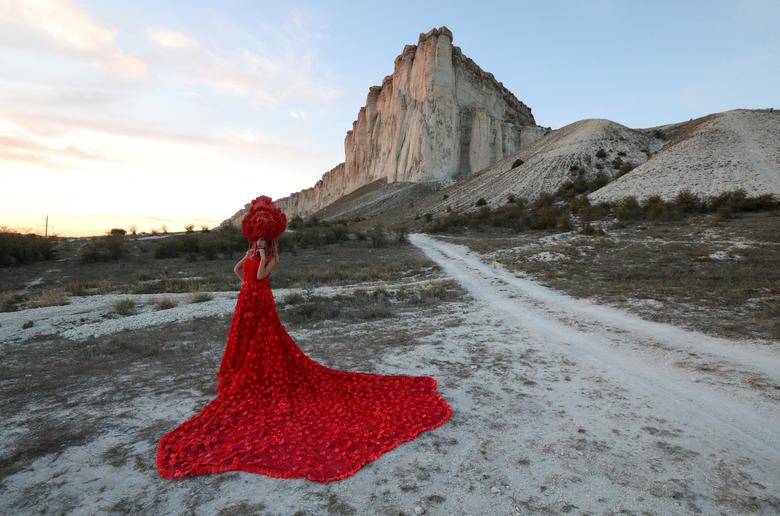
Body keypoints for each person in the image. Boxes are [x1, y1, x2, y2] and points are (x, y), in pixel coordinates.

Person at [156, 195, 452, 483]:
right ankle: (242, 374)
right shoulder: (251, 253)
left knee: (266, 343)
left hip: (260, 300)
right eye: (256, 239)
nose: (259, 242)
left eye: (263, 240)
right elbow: (239, 273)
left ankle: (264, 378)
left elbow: (259, 277)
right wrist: (244, 261)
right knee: (243, 341)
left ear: (269, 240)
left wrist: (258, 257)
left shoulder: (271, 258)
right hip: (246, 300)